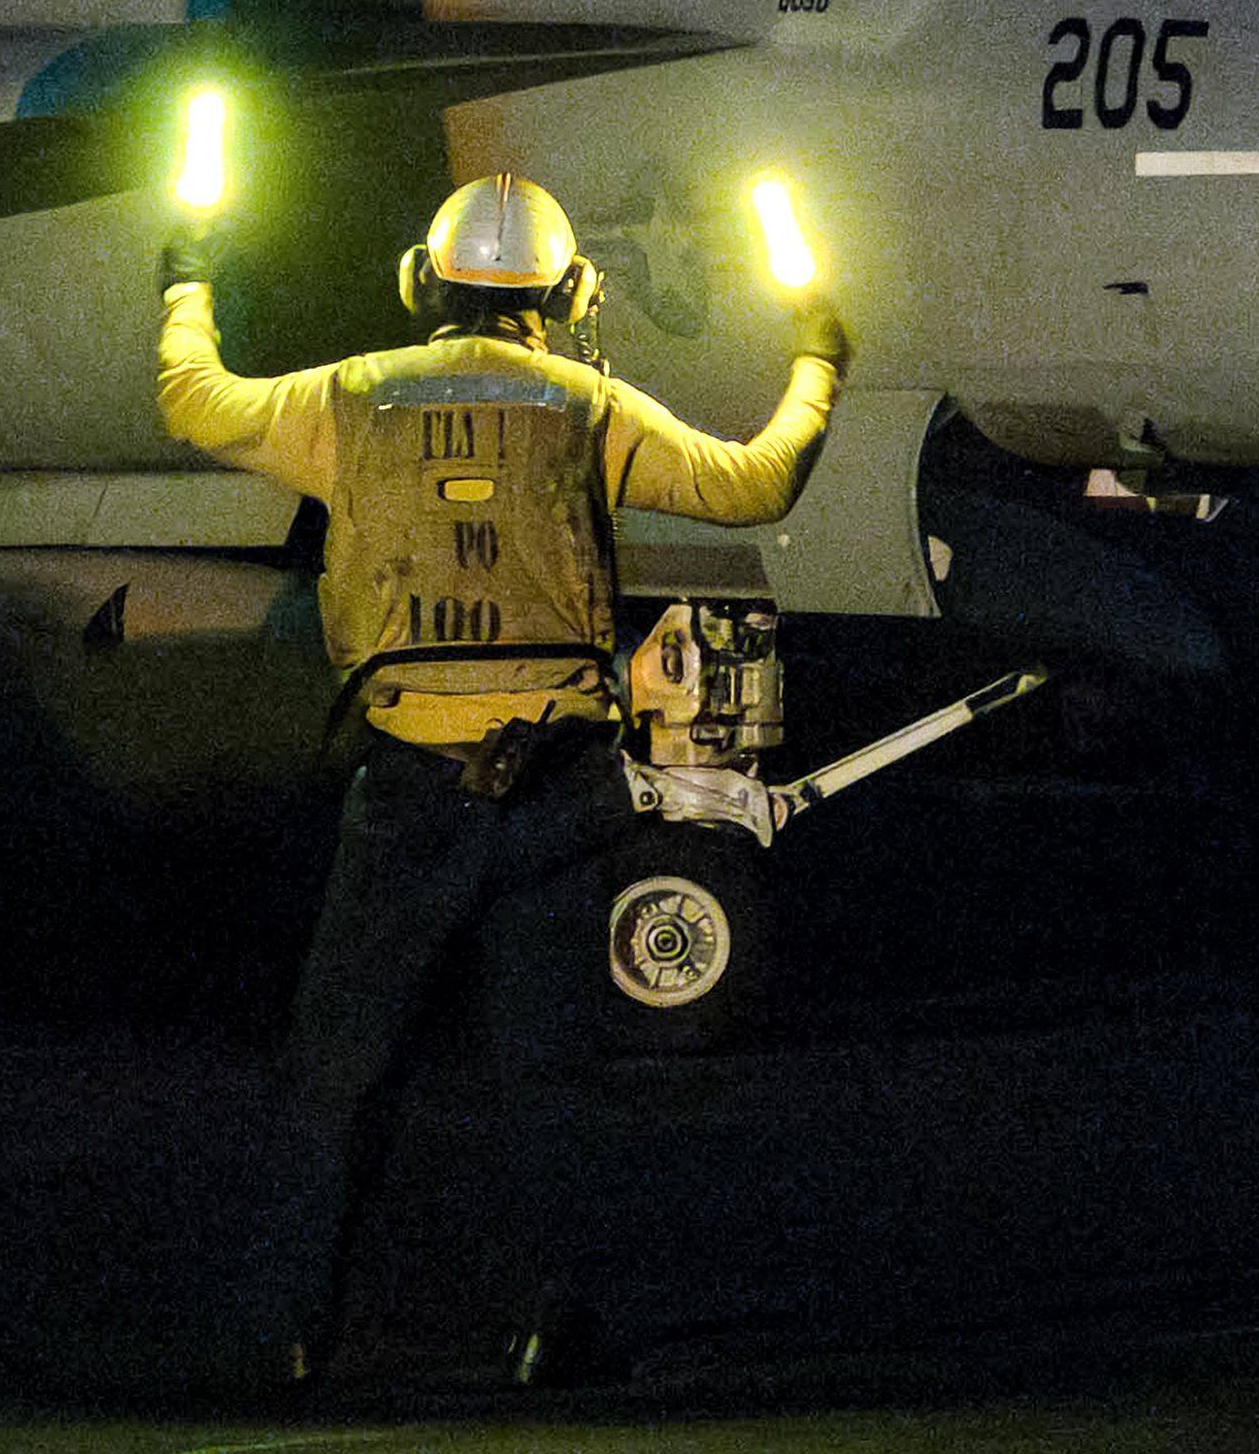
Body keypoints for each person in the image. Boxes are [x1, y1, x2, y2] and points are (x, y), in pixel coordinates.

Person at [156, 171, 848, 1386]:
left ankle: (283, 1337)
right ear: (567, 289)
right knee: (552, 1079)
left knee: (337, 1072)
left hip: (407, 786)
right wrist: (817, 359)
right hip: (557, 791)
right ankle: (554, 1333)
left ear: (422, 283)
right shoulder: (586, 403)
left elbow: (192, 401)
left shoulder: (349, 400)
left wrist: (188, 275)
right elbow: (758, 482)